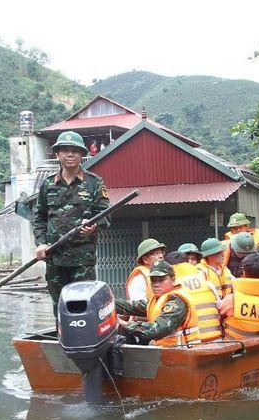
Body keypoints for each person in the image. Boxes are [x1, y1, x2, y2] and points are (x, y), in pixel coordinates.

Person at [33, 130, 110, 319]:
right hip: (54, 259)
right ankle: (62, 343)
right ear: (57, 154)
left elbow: (105, 217)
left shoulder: (95, 183)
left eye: (75, 151)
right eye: (65, 150)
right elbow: (39, 217)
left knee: (84, 306)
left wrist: (94, 226)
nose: (70, 154)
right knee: (59, 307)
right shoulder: (48, 184)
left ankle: (84, 345)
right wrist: (41, 243)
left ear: (82, 154)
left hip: (82, 260)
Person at [116, 260, 222, 346]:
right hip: (169, 355)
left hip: (185, 355)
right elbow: (132, 306)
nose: (156, 284)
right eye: (153, 280)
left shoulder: (177, 301)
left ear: (173, 280)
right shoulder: (158, 300)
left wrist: (125, 324)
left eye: (161, 280)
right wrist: (108, 303)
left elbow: (157, 330)